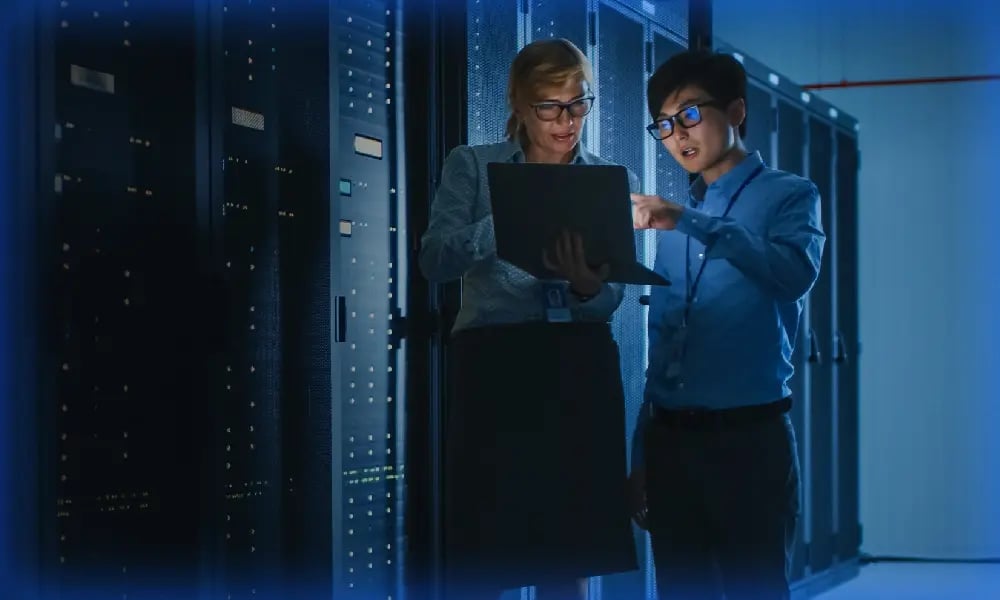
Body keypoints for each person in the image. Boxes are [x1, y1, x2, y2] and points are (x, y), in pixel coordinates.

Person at [419, 38, 638, 600]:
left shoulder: (606, 177)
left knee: (573, 543)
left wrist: (588, 284)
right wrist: (506, 220)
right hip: (496, 366)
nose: (566, 121)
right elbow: (434, 260)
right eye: (550, 106)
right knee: (488, 540)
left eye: (578, 104)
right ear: (518, 103)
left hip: (578, 366)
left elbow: (614, 296)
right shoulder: (472, 164)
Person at [628, 49, 826, 600]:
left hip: (748, 443)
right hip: (671, 444)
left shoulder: (790, 195)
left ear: (736, 110)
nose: (676, 135)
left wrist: (689, 221)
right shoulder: (671, 219)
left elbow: (792, 274)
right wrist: (641, 455)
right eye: (664, 124)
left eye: (690, 114)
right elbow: (663, 345)